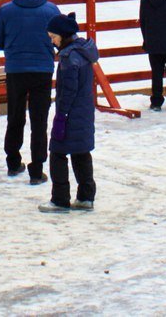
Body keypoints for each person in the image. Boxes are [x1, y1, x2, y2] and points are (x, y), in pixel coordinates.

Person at [0, 0, 61, 184]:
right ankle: (37, 169)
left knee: (15, 116)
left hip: (16, 69)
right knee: (39, 120)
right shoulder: (51, 10)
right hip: (42, 69)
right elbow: (60, 38)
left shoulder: (6, 10)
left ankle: (13, 162)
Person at [39, 12, 99, 213]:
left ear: (63, 36)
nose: (52, 41)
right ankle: (86, 197)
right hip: (84, 112)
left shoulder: (68, 58)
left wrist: (61, 115)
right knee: (81, 152)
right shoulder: (82, 51)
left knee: (57, 153)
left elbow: (68, 91)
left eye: (53, 37)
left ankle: (60, 199)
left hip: (71, 113)